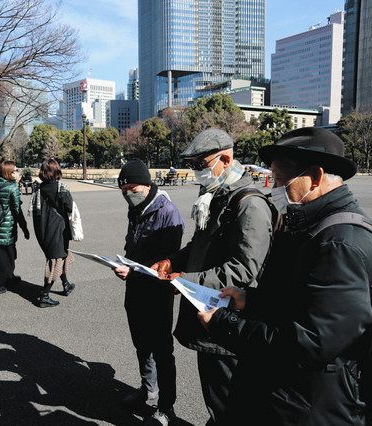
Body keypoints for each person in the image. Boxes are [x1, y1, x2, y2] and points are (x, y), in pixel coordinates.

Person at [198, 127, 372, 425]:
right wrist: (249, 299)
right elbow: (296, 300)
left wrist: (224, 324)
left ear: (315, 178)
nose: (273, 189)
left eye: (279, 181)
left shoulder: (338, 242)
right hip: (293, 396)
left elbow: (308, 343)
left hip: (311, 405)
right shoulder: (311, 225)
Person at [151, 128, 274, 425]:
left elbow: (245, 269)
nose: (196, 172)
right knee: (216, 396)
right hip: (207, 312)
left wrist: (187, 279)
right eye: (192, 165)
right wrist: (173, 261)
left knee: (229, 398)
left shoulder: (249, 204)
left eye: (201, 164)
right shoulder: (215, 195)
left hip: (227, 320)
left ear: (226, 158)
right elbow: (200, 244)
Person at [113, 159, 184, 425]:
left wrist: (133, 270)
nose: (127, 194)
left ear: (145, 184)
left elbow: (168, 261)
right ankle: (148, 389)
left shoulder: (167, 212)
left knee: (162, 350)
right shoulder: (137, 209)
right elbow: (132, 246)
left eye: (131, 188)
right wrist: (122, 264)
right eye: (123, 191)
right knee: (141, 344)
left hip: (157, 293)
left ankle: (167, 406)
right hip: (135, 290)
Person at [30, 159, 75, 308]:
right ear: (56, 171)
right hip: (57, 230)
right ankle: (44, 295)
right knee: (55, 261)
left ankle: (66, 284)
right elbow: (69, 207)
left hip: (43, 230)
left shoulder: (38, 188)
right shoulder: (60, 188)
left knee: (60, 257)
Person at [0, 160, 29, 295]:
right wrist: (24, 227)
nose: (17, 172)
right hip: (6, 228)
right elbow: (17, 210)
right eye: (15, 170)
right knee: (5, 257)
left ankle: (8, 276)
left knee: (6, 254)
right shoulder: (12, 188)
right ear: (9, 172)